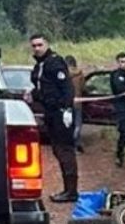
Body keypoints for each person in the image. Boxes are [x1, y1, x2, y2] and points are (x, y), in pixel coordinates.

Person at [28, 34, 79, 202]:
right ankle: (68, 189)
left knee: (64, 150)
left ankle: (71, 191)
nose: (37, 48)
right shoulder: (40, 65)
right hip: (49, 111)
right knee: (57, 149)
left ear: (47, 44)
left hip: (60, 112)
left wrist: (66, 110)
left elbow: (67, 88)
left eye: (40, 45)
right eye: (34, 45)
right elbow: (45, 89)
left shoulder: (54, 62)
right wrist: (33, 94)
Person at [64, 55, 86, 153]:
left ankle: (70, 144)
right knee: (77, 124)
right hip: (78, 102)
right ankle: (76, 143)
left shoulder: (63, 75)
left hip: (66, 103)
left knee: (68, 124)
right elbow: (83, 88)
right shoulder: (80, 74)